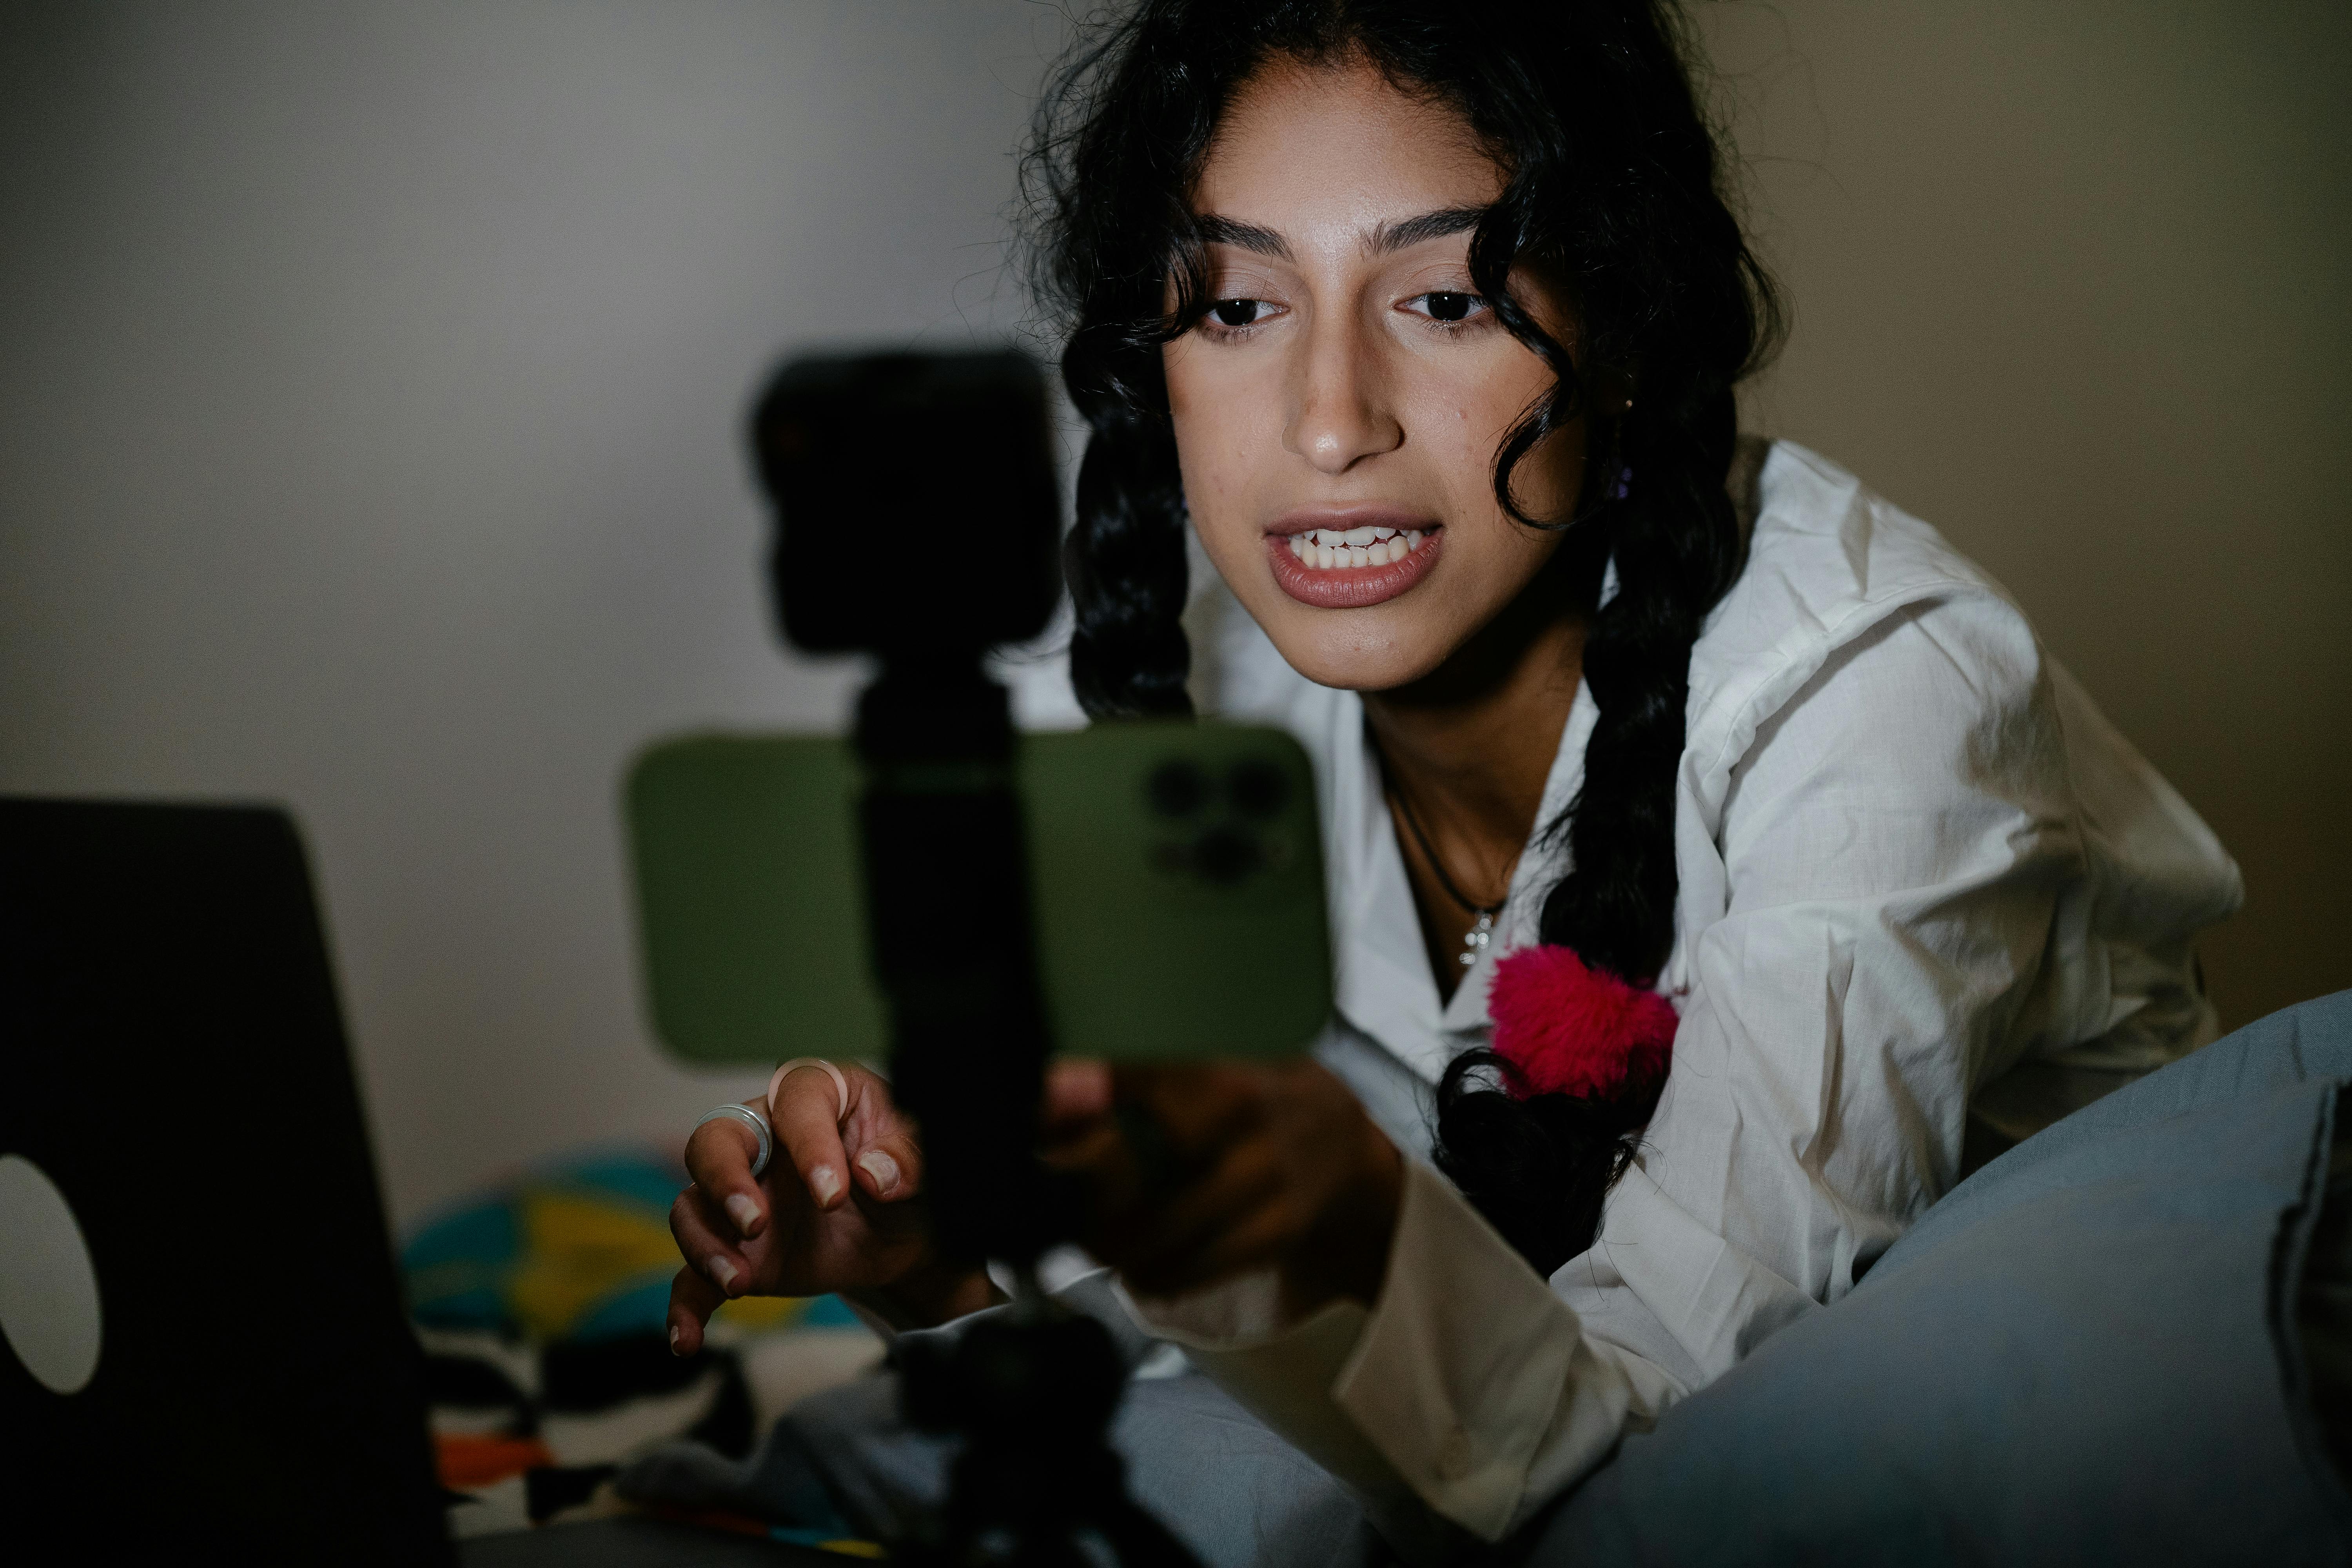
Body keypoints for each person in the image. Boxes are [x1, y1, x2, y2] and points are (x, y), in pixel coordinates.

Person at [663, 0, 2242, 1554]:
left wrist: (1326, 1221)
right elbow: (1171, 1342)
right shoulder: (1165, 680)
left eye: (1444, 299)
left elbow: (1642, 1451)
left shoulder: (1882, 708)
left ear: (1617, 329)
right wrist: (927, 1250)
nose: (1331, 423)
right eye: (1235, 306)